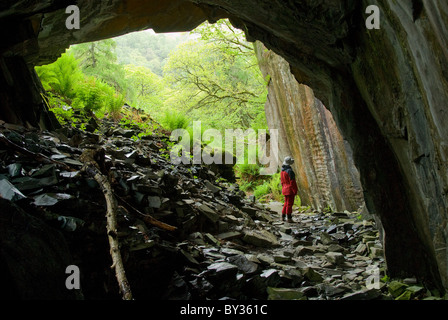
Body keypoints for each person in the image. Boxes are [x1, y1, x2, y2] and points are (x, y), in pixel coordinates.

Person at [280, 156, 298, 222]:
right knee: (289, 204)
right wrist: (295, 190)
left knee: (286, 203)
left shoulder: (282, 171)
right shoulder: (290, 171)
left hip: (284, 189)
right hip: (289, 190)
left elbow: (282, 182)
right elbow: (292, 182)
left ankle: (283, 216)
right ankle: (289, 218)